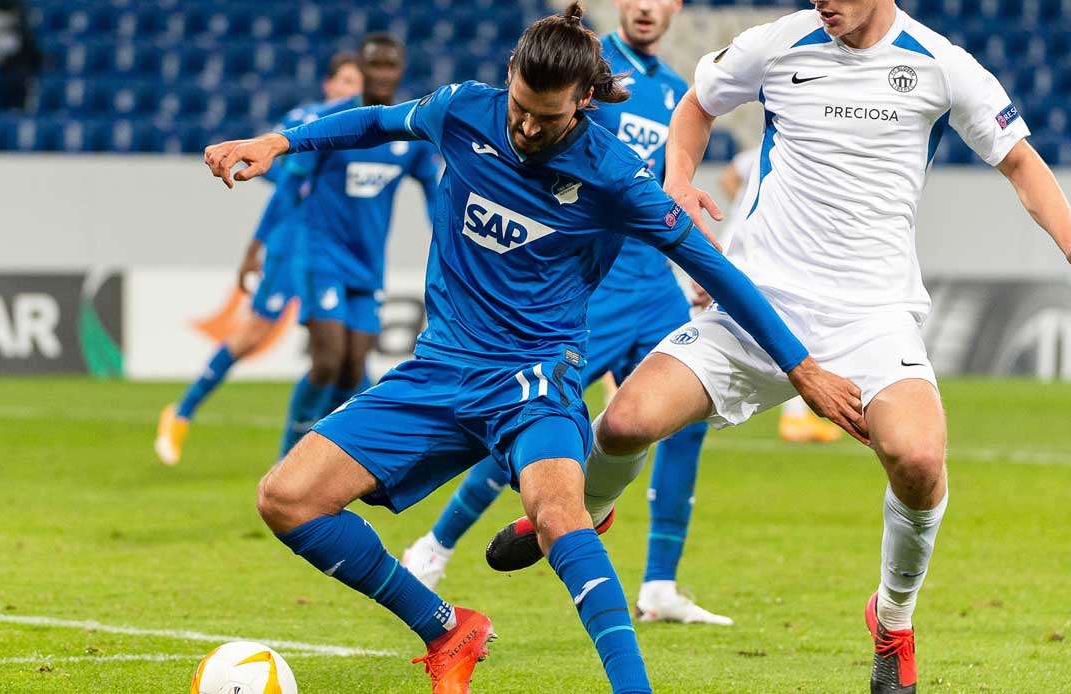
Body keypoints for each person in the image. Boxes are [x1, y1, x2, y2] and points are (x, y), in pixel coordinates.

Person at [202, 5, 863, 691]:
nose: (525, 127)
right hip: (440, 370)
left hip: (534, 379)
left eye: (546, 119)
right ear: (510, 75)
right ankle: (445, 628)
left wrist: (803, 369)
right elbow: (374, 121)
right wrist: (279, 143)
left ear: (582, 103)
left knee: (559, 516)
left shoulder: (613, 174)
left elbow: (718, 270)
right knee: (286, 498)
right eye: (520, 106)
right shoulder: (462, 111)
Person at [487, 2, 1071, 692]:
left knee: (919, 458)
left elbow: (1019, 161)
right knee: (629, 419)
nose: (823, 4)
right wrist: (677, 182)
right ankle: (585, 514)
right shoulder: (777, 43)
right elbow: (698, 105)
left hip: (872, 319)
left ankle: (893, 621)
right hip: (758, 306)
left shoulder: (942, 66)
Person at [400, 0, 732, 626]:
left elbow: (662, 196)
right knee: (528, 424)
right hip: (589, 292)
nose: (644, 7)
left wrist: (694, 267)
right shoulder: (577, 71)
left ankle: (660, 584)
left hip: (655, 286)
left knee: (685, 418)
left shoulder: (673, 93)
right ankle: (434, 548)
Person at [155, 53, 365, 466]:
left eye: (355, 84)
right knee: (254, 336)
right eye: (343, 82)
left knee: (346, 354)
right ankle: (180, 413)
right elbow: (284, 182)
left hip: (333, 252)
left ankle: (329, 449)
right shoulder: (308, 119)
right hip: (294, 246)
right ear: (327, 85)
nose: (350, 91)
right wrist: (257, 245)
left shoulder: (360, 126)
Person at [276, 34, 441, 458]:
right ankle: (290, 456)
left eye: (391, 66)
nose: (383, 74)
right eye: (375, 66)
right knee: (329, 360)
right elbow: (291, 187)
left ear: (401, 71)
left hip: (368, 266)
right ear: (362, 69)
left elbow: (435, 197)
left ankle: (324, 457)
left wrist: (451, 242)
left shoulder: (409, 131)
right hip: (322, 256)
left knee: (352, 370)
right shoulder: (332, 122)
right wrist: (267, 244)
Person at [718, 149, 843, 444]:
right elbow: (728, 179)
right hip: (749, 252)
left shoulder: (766, 152)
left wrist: (741, 202)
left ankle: (795, 416)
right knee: (794, 332)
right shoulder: (792, 150)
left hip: (737, 250)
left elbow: (728, 177)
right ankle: (794, 418)